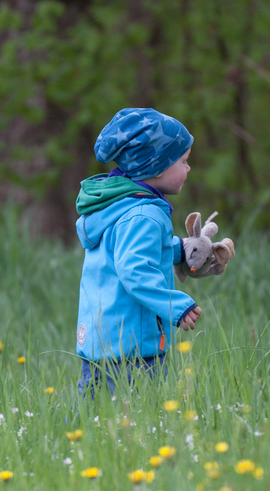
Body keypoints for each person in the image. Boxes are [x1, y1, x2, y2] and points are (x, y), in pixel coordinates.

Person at [75, 107, 203, 396]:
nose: (188, 169)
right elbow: (135, 270)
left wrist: (180, 250)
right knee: (139, 426)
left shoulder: (118, 205)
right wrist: (174, 306)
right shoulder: (144, 215)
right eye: (183, 161)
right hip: (132, 349)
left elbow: (125, 254)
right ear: (157, 166)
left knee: (95, 423)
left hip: (100, 343)